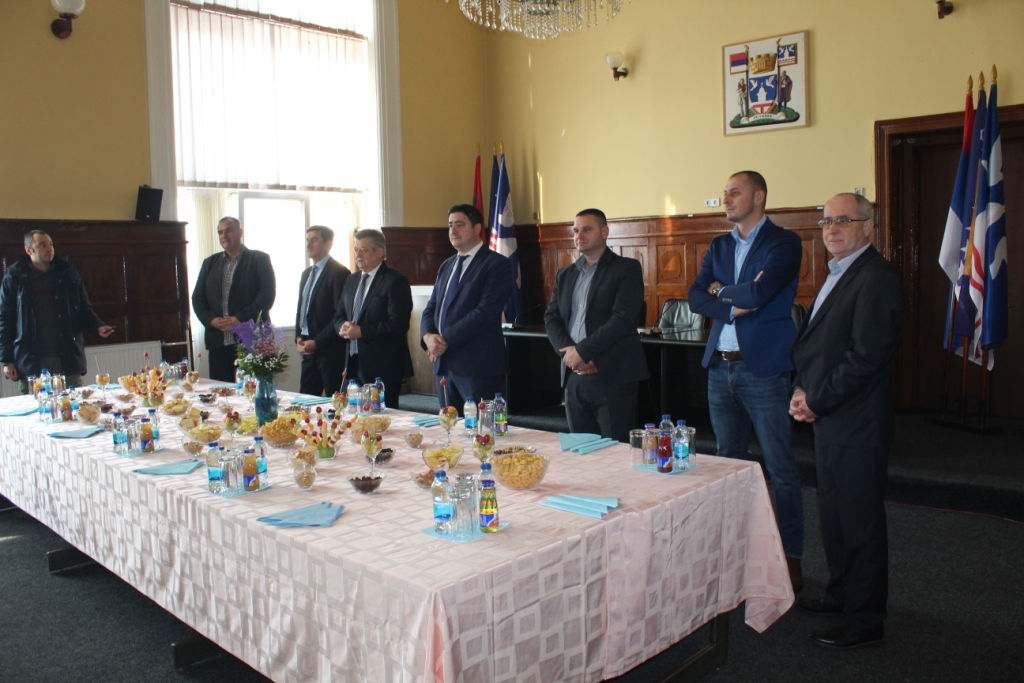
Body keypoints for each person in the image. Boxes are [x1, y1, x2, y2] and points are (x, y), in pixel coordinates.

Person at [790, 193, 903, 650]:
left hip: (857, 423)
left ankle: (865, 618)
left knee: (860, 524)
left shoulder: (877, 277)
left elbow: (865, 358)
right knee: (835, 518)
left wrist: (816, 400)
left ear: (868, 226)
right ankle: (840, 596)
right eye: (826, 222)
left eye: (843, 220)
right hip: (832, 419)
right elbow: (818, 347)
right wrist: (802, 390)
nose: (832, 229)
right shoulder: (839, 272)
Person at [688, 170, 805, 591]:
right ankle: (732, 551)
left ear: (759, 197)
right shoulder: (719, 245)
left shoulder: (783, 243)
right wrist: (731, 299)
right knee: (728, 463)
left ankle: (790, 557)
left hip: (764, 370)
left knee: (780, 467)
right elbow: (695, 296)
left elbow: (759, 295)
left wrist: (721, 292)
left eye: (734, 192)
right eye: (724, 193)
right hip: (720, 368)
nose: (726, 199)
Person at [544, 208, 649, 442]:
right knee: (581, 448)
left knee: (615, 450)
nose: (579, 235)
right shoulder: (565, 274)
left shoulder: (626, 268)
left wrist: (583, 351)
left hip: (612, 374)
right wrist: (569, 354)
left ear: (604, 232)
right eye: (575, 230)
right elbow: (551, 317)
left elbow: (622, 319)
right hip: (573, 374)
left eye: (586, 229)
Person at [420, 204, 512, 412]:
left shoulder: (496, 264)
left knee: (483, 428)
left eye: (460, 225)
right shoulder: (447, 265)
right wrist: (428, 337)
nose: (453, 230)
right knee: (449, 426)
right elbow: (431, 307)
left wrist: (444, 339)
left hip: (477, 366)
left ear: (477, 228)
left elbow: (485, 311)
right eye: (450, 225)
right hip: (443, 364)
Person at [0, 230, 115, 392]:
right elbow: (5, 320)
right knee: (36, 404)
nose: (49, 248)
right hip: (31, 358)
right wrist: (7, 360)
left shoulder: (68, 273)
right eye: (42, 245)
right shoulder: (14, 278)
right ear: (29, 250)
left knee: (73, 402)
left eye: (51, 244)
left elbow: (83, 308)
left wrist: (97, 326)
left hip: (67, 356)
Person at [333, 229, 414, 408]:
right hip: (352, 363)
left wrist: (362, 331)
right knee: (351, 413)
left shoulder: (395, 280)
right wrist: (342, 326)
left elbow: (399, 323)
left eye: (363, 250)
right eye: (356, 250)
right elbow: (339, 314)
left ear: (379, 252)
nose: (358, 255)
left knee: (381, 417)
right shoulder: (351, 280)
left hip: (382, 365)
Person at [191, 217, 276, 382]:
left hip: (252, 339)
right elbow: (197, 298)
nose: (224, 235)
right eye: (220, 232)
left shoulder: (259, 259)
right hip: (218, 342)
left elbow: (267, 295)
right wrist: (212, 320)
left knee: (255, 391)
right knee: (221, 393)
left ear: (240, 232)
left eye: (229, 230)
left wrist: (239, 319)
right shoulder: (209, 263)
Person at [294, 226, 350, 396]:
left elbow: (339, 316)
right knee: (305, 400)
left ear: (328, 244)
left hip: (330, 350)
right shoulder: (306, 274)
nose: (308, 245)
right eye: (307, 240)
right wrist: (298, 336)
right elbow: (301, 308)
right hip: (307, 349)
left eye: (314, 240)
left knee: (335, 402)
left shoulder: (339, 272)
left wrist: (317, 342)